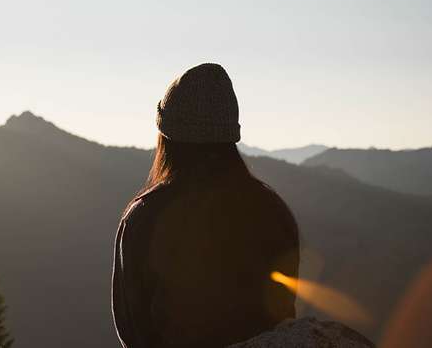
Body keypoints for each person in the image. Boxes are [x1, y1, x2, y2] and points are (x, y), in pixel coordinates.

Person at [111, 63, 300, 348]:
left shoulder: (144, 218)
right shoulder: (273, 213)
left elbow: (132, 328)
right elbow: (283, 317)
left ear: (167, 137)